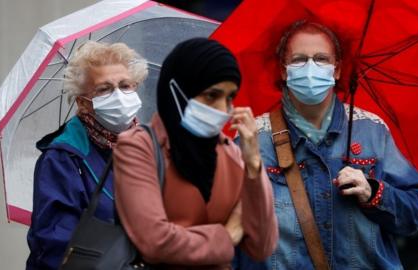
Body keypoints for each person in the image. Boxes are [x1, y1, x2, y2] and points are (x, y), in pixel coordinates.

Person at [234, 20, 418, 269]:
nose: (310, 67)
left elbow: (416, 212)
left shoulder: (372, 130)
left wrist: (373, 193)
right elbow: (229, 232)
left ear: (336, 70)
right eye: (298, 59)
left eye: (321, 59)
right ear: (283, 71)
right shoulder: (252, 138)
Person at [112, 38, 278, 269]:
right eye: (211, 95)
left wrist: (254, 165)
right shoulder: (139, 147)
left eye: (229, 98)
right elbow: (155, 241)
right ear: (178, 91)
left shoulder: (230, 152)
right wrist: (227, 237)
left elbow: (262, 246)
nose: (223, 109)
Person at [26, 41, 148, 270]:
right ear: (83, 102)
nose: (119, 96)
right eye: (105, 89)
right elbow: (57, 246)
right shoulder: (63, 159)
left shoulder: (149, 148)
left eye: (125, 85)